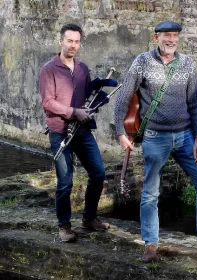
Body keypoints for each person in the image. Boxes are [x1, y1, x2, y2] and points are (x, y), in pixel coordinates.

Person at [114, 20, 197, 263]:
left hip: (185, 136)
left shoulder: (186, 63)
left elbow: (195, 103)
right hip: (155, 137)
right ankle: (151, 244)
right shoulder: (142, 62)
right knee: (150, 193)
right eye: (167, 35)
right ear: (156, 37)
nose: (171, 40)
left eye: (175, 36)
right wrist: (120, 134)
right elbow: (123, 98)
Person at [39, 23, 110, 243]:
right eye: (69, 41)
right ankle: (64, 226)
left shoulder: (82, 69)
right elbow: (48, 103)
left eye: (77, 41)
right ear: (60, 41)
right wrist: (73, 112)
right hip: (60, 132)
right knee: (65, 182)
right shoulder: (48, 69)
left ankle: (89, 218)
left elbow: (87, 94)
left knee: (98, 173)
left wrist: (97, 99)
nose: (73, 45)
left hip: (82, 131)